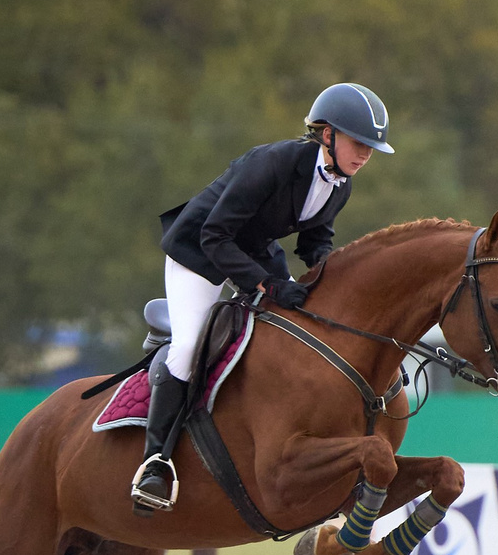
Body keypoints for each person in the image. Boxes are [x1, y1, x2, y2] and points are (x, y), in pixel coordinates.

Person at [131, 83, 393, 511]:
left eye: (370, 147)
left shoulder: (341, 184)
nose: (365, 155)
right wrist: (269, 285)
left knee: (298, 330)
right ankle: (155, 462)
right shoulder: (272, 162)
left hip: (253, 249)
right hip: (199, 252)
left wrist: (333, 282)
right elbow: (215, 235)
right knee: (189, 346)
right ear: (326, 134)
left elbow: (315, 242)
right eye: (358, 142)